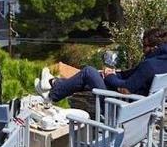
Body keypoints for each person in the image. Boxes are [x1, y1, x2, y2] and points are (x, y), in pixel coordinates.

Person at [36, 28, 167, 103]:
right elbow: (134, 75)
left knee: (88, 72)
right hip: (140, 109)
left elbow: (125, 90)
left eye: (144, 46)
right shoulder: (161, 63)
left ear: (154, 47)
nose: (143, 50)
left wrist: (110, 76)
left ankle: (52, 96)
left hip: (119, 107)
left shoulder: (150, 65)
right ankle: (55, 83)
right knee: (92, 77)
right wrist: (115, 73)